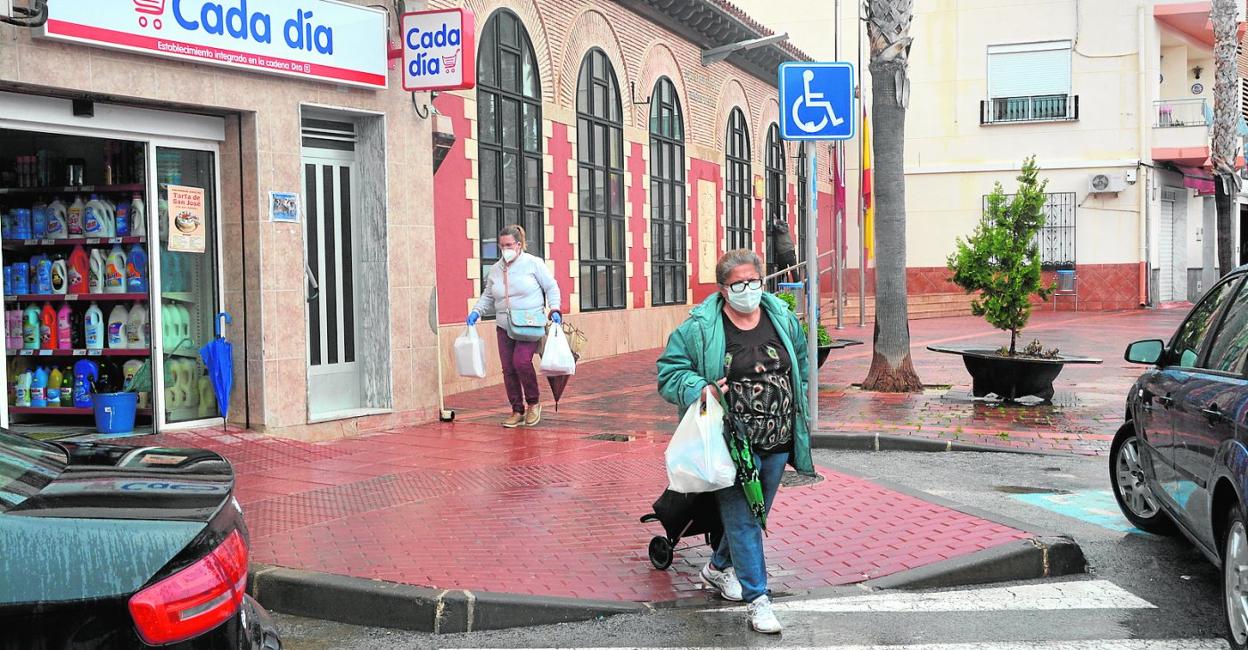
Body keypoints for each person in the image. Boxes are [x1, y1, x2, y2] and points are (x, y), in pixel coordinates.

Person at [656, 249, 815, 635]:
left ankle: (716, 567)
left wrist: (800, 403)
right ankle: (758, 599)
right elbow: (668, 373)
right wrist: (701, 387)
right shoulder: (700, 328)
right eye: (739, 284)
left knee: (756, 514)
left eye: (754, 282)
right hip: (732, 442)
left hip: (777, 438)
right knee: (744, 518)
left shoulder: (780, 315)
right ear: (724, 289)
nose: (749, 290)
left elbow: (801, 362)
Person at [467, 225, 561, 428]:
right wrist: (476, 311)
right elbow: (489, 295)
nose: (505, 249)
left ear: (519, 245)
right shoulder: (495, 269)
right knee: (508, 368)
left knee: (521, 362)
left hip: (529, 323)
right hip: (504, 325)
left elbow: (551, 286)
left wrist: (555, 309)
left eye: (509, 245)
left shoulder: (533, 264)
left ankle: (533, 403)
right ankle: (517, 409)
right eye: (501, 246)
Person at [769, 219, 798, 284]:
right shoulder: (777, 229)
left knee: (793, 271)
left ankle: (797, 288)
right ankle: (785, 289)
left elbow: (783, 229)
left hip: (788, 251)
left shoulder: (782, 227)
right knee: (784, 273)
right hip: (782, 253)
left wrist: (775, 225)